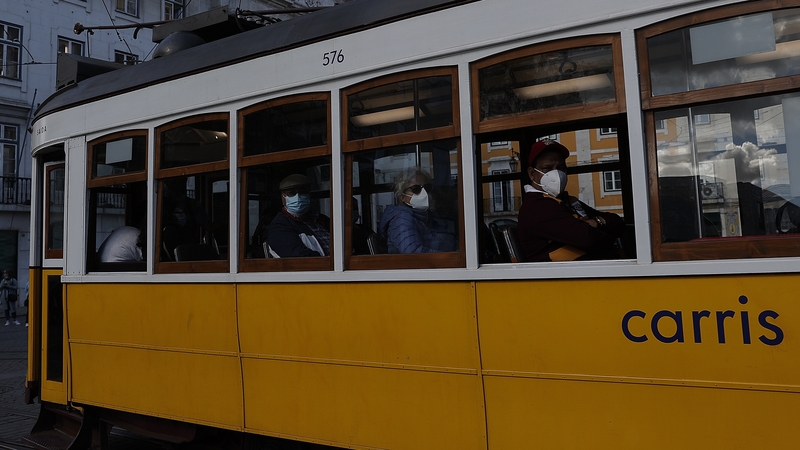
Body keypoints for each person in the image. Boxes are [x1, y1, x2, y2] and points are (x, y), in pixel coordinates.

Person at [517, 139, 626, 262]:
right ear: (532, 173)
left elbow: (618, 223)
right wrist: (607, 235)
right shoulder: (537, 207)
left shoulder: (567, 201)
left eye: (560, 168)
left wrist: (597, 222)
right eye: (547, 168)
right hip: (561, 277)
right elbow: (588, 239)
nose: (556, 173)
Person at [378, 168, 458, 254]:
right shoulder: (401, 220)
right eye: (416, 189)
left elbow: (452, 242)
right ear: (402, 197)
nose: (424, 193)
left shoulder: (429, 218)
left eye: (427, 188)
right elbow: (414, 254)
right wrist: (449, 257)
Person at [267, 174, 331, 258]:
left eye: (302, 192)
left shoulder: (322, 219)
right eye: (291, 193)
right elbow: (298, 257)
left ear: (309, 195)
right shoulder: (280, 227)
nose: (298, 197)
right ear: (283, 198)